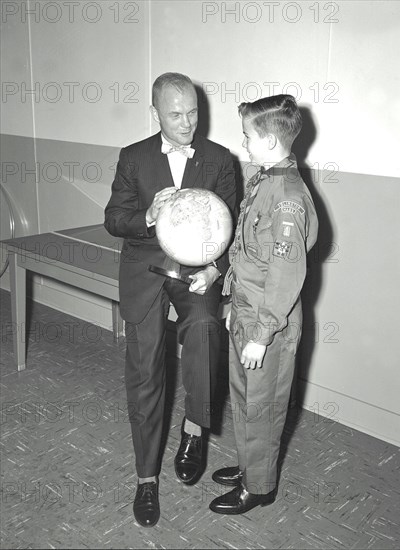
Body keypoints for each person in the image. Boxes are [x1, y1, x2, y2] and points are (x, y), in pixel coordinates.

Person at [104, 72, 236, 527]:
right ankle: (146, 479)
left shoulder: (220, 159)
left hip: (197, 271)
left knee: (204, 327)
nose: (186, 123)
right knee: (146, 373)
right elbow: (114, 219)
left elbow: (232, 229)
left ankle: (195, 428)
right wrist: (147, 214)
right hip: (145, 268)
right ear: (155, 112)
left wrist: (216, 271)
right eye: (175, 114)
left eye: (193, 112)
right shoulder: (134, 157)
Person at [209, 95, 318, 515]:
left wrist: (262, 331)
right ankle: (249, 464)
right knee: (243, 397)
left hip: (268, 325)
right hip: (248, 311)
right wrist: (236, 306)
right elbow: (248, 251)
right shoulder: (265, 179)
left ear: (270, 140)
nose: (244, 145)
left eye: (248, 137)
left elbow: (285, 273)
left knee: (263, 404)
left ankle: (260, 486)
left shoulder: (287, 195)